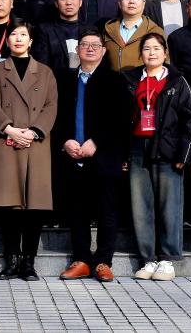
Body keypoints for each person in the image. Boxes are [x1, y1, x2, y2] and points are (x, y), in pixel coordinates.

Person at [0, 20, 58, 281]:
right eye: (13, 34)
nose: (18, 38)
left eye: (23, 34)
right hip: (6, 141)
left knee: (34, 205)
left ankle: (29, 263)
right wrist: (9, 129)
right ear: (7, 40)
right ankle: (11, 261)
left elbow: (51, 106)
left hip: (35, 143)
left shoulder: (45, 72)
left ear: (31, 41)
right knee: (9, 205)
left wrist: (34, 131)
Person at [54, 28, 127, 282]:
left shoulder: (115, 80)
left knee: (107, 210)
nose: (90, 49)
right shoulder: (64, 79)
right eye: (85, 44)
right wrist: (64, 141)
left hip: (104, 157)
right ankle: (82, 260)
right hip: (73, 156)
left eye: (95, 45)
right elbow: (55, 115)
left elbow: (121, 118)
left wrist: (97, 141)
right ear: (77, 50)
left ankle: (104, 262)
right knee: (77, 211)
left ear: (104, 51)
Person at [124, 33, 191, 282]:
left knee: (169, 205)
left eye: (157, 48)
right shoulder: (130, 79)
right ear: (140, 54)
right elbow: (121, 118)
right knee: (140, 206)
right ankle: (148, 258)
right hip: (137, 148)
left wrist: (185, 153)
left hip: (168, 149)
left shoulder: (177, 80)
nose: (152, 53)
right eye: (147, 48)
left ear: (165, 53)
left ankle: (167, 259)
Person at [102, 0, 166, 72]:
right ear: (119, 3)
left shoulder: (155, 31)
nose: (131, 1)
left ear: (143, 3)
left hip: (143, 79)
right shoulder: (108, 29)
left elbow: (165, 63)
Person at [33, 0, 83, 71]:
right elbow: (41, 64)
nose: (69, 2)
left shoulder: (90, 29)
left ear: (80, 2)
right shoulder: (44, 30)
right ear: (56, 3)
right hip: (53, 78)